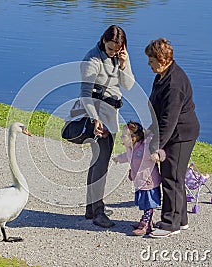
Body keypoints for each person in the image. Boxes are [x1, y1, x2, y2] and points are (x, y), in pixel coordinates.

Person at [80, 25, 135, 228]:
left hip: (112, 116)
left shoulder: (118, 58)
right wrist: (95, 119)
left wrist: (124, 64)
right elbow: (85, 94)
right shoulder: (91, 60)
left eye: (116, 50)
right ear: (103, 40)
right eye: (110, 49)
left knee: (97, 162)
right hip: (98, 118)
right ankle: (98, 211)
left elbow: (128, 85)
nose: (112, 53)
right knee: (100, 165)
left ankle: (90, 208)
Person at [144, 38, 200, 238]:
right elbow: (158, 110)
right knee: (173, 175)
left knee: (171, 177)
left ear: (162, 59)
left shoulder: (174, 83)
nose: (149, 64)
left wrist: (156, 147)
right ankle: (181, 219)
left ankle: (170, 224)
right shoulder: (163, 75)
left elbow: (169, 119)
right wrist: (149, 130)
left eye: (151, 61)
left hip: (180, 135)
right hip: (172, 133)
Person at [112, 121, 161, 236]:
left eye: (124, 136)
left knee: (149, 204)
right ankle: (148, 221)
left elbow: (160, 152)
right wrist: (118, 158)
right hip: (139, 182)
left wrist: (157, 156)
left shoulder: (146, 147)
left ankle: (146, 225)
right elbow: (127, 157)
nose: (121, 137)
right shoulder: (131, 149)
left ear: (133, 138)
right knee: (144, 203)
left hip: (149, 181)